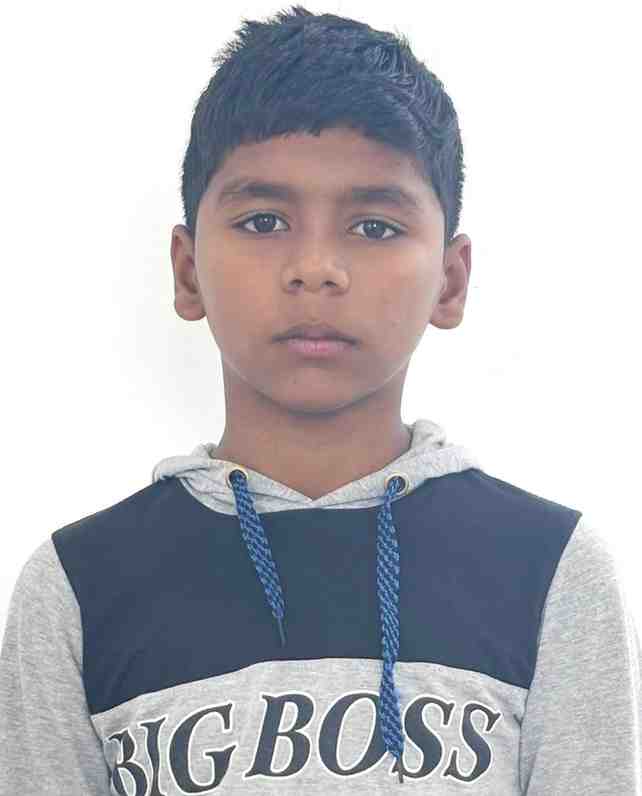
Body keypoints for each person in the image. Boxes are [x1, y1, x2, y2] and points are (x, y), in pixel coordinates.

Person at [1, 5, 640, 794]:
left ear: (450, 281)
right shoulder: (80, 585)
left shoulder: (550, 568)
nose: (315, 268)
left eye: (373, 227)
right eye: (263, 220)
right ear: (188, 270)